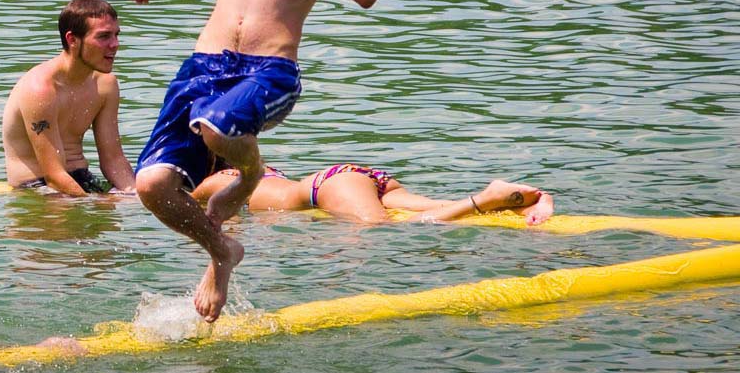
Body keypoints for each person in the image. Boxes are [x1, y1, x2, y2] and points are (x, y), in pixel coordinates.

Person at [117, 0, 381, 321]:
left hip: (268, 70)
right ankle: (222, 250)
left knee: (218, 128)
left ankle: (251, 171)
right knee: (151, 186)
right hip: (204, 64)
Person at [1, 0, 136, 196]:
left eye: (116, 35)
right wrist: (93, 204)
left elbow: (113, 160)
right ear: (72, 39)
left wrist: (135, 195)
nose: (115, 44)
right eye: (104, 36)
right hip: (37, 188)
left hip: (82, 179)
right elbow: (54, 176)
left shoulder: (105, 84)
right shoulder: (40, 90)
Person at [191, 163, 555, 225]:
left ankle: (487, 198)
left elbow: (210, 220)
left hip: (327, 188)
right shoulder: (259, 171)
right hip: (352, 176)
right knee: (437, 206)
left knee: (391, 228)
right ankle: (528, 201)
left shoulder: (214, 183)